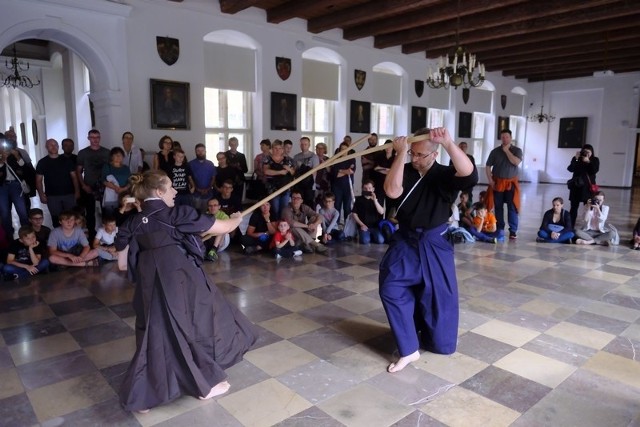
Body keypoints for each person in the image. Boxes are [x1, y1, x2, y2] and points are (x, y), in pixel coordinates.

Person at [114, 170, 256, 412]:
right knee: (198, 321)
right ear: (159, 192)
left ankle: (145, 393)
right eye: (170, 187)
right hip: (180, 280)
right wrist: (237, 217)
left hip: (151, 286)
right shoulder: (177, 213)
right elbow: (225, 227)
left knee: (156, 331)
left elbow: (123, 264)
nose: (175, 191)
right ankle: (203, 385)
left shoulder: (132, 222)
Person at [379, 127, 477, 373]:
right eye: (413, 153)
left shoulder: (445, 174)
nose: (415, 158)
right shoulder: (405, 168)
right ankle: (409, 348)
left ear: (434, 154)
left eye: (420, 155)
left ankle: (437, 341)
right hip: (405, 241)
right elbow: (391, 191)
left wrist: (447, 143)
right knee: (391, 288)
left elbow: (469, 174)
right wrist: (401, 154)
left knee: (437, 298)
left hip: (435, 242)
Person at [485, 129, 522, 240]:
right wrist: (490, 181)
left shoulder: (517, 150)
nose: (505, 139)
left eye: (507, 137)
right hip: (497, 183)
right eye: (503, 137)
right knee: (498, 207)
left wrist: (506, 151)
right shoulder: (495, 151)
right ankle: (500, 228)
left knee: (512, 207)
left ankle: (513, 231)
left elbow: (516, 162)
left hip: (511, 183)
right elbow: (488, 166)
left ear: (511, 138)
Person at [36, 138, 80, 226]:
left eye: (55, 145)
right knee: (56, 219)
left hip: (69, 194)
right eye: (51, 145)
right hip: (52, 196)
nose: (53, 147)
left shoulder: (67, 161)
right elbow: (38, 180)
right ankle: (58, 238)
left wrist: (77, 191)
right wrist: (41, 194)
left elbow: (74, 177)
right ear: (46, 147)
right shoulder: (42, 162)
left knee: (70, 218)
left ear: (58, 146)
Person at [76, 129, 110, 241]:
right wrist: (83, 185)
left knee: (106, 212)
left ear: (100, 138)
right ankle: (91, 236)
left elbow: (111, 169)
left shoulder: (107, 152)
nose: (95, 140)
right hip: (89, 186)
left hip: (104, 187)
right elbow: (78, 171)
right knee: (90, 213)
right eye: (92, 137)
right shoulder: (83, 153)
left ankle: (107, 235)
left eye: (97, 137)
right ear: (88, 138)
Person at [0, 132, 30, 238]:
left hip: (16, 184)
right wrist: (2, 160)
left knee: (22, 211)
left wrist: (16, 156)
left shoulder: (16, 152)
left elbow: (24, 167)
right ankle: (9, 236)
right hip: (2, 185)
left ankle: (27, 235)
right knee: (4, 212)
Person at [567, 144, 599, 229]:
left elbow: (594, 171)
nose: (586, 154)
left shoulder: (595, 160)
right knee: (573, 208)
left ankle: (588, 227)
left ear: (592, 152)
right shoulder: (577, 159)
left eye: (588, 152)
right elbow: (570, 169)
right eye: (584, 152)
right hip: (576, 187)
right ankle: (570, 226)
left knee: (588, 208)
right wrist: (576, 159)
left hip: (587, 189)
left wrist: (588, 161)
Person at [263, 139, 295, 220]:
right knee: (275, 210)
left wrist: (289, 169)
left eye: (279, 148)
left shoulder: (288, 160)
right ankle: (275, 228)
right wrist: (280, 172)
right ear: (272, 149)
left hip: (285, 188)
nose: (277, 150)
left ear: (282, 149)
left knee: (284, 210)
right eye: (275, 148)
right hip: (273, 189)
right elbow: (266, 171)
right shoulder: (267, 159)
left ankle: (283, 228)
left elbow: (293, 173)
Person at [351, 180, 385, 244]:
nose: (367, 190)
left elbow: (381, 212)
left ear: (373, 189)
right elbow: (354, 214)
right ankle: (366, 235)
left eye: (369, 188)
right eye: (365, 188)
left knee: (381, 240)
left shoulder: (377, 199)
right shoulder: (359, 199)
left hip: (375, 226)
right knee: (365, 241)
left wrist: (375, 200)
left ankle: (371, 235)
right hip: (363, 226)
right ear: (363, 189)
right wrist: (362, 224)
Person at [101, 147, 131, 218]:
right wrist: (116, 188)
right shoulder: (107, 166)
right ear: (112, 156)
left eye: (120, 155)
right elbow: (104, 180)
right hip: (111, 194)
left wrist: (123, 189)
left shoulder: (126, 168)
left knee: (124, 214)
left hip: (124, 194)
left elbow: (130, 181)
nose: (118, 157)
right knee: (110, 216)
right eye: (116, 155)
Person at [330, 141, 356, 223]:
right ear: (339, 150)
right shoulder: (336, 159)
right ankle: (336, 225)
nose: (343, 151)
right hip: (337, 187)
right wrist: (345, 171)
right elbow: (335, 174)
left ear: (348, 150)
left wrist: (340, 170)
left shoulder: (352, 158)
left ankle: (347, 226)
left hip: (348, 187)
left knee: (347, 207)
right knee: (337, 206)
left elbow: (351, 171)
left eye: (345, 149)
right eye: (342, 149)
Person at [189, 143, 217, 212]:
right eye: (198, 150)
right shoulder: (190, 164)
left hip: (208, 194)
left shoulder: (210, 164)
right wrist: (197, 189)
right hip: (195, 194)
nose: (200, 152)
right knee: (195, 213)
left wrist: (208, 188)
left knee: (207, 213)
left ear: (205, 151)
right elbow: (190, 178)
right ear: (195, 152)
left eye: (202, 150)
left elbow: (213, 177)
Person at [293, 136, 319, 207]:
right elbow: (294, 172)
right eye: (302, 144)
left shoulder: (314, 157)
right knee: (299, 206)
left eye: (305, 144)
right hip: (299, 186)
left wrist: (302, 167)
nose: (303, 146)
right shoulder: (296, 157)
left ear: (309, 145)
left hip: (310, 186)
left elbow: (314, 172)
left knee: (309, 206)